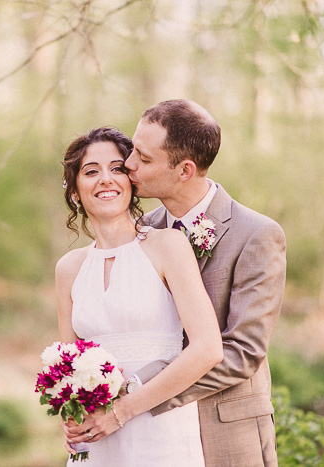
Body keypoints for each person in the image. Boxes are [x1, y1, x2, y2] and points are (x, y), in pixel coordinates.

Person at [120, 99, 287, 466]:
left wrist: (140, 390)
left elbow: (243, 352)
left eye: (144, 159)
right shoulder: (141, 232)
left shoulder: (257, 235)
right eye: (133, 149)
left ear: (185, 170)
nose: (128, 164)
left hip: (226, 430)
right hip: (151, 436)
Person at [55, 126, 223, 466]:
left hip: (161, 432)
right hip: (97, 439)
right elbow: (68, 369)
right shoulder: (69, 268)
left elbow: (208, 348)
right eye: (91, 172)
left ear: (132, 181)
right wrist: (69, 416)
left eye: (117, 168)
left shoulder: (167, 245)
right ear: (75, 190)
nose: (105, 179)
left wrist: (120, 412)